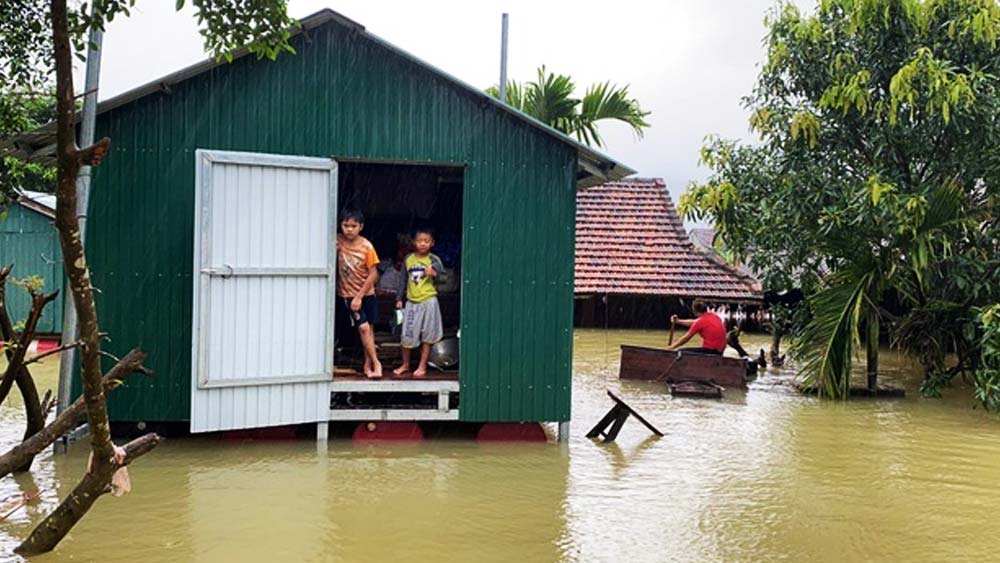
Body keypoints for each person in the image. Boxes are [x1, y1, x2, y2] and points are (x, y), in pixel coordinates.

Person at [392, 228, 446, 377]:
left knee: (428, 336)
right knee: (407, 334)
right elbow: (402, 280)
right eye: (419, 241)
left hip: (429, 301)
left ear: (432, 243)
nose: (422, 244)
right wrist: (398, 299)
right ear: (414, 242)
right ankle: (406, 364)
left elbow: (444, 279)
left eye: (426, 241)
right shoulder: (408, 259)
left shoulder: (434, 260)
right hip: (411, 302)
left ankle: (422, 366)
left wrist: (434, 273)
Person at [336, 209, 382, 378]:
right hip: (347, 294)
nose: (349, 229)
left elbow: (373, 274)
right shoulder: (337, 241)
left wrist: (360, 296)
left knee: (369, 329)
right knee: (363, 328)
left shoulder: (366, 247)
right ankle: (377, 363)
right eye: (345, 225)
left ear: (361, 227)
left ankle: (367, 364)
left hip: (366, 293)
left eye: (353, 226)